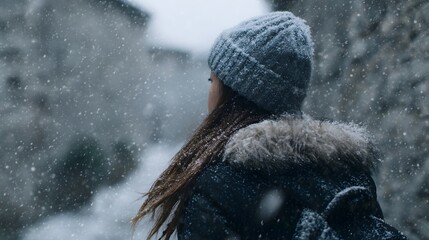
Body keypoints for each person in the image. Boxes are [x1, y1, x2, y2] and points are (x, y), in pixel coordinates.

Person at [133, 11, 407, 240]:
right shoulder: (350, 176)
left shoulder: (220, 186)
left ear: (233, 92)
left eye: (211, 80)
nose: (209, 91)